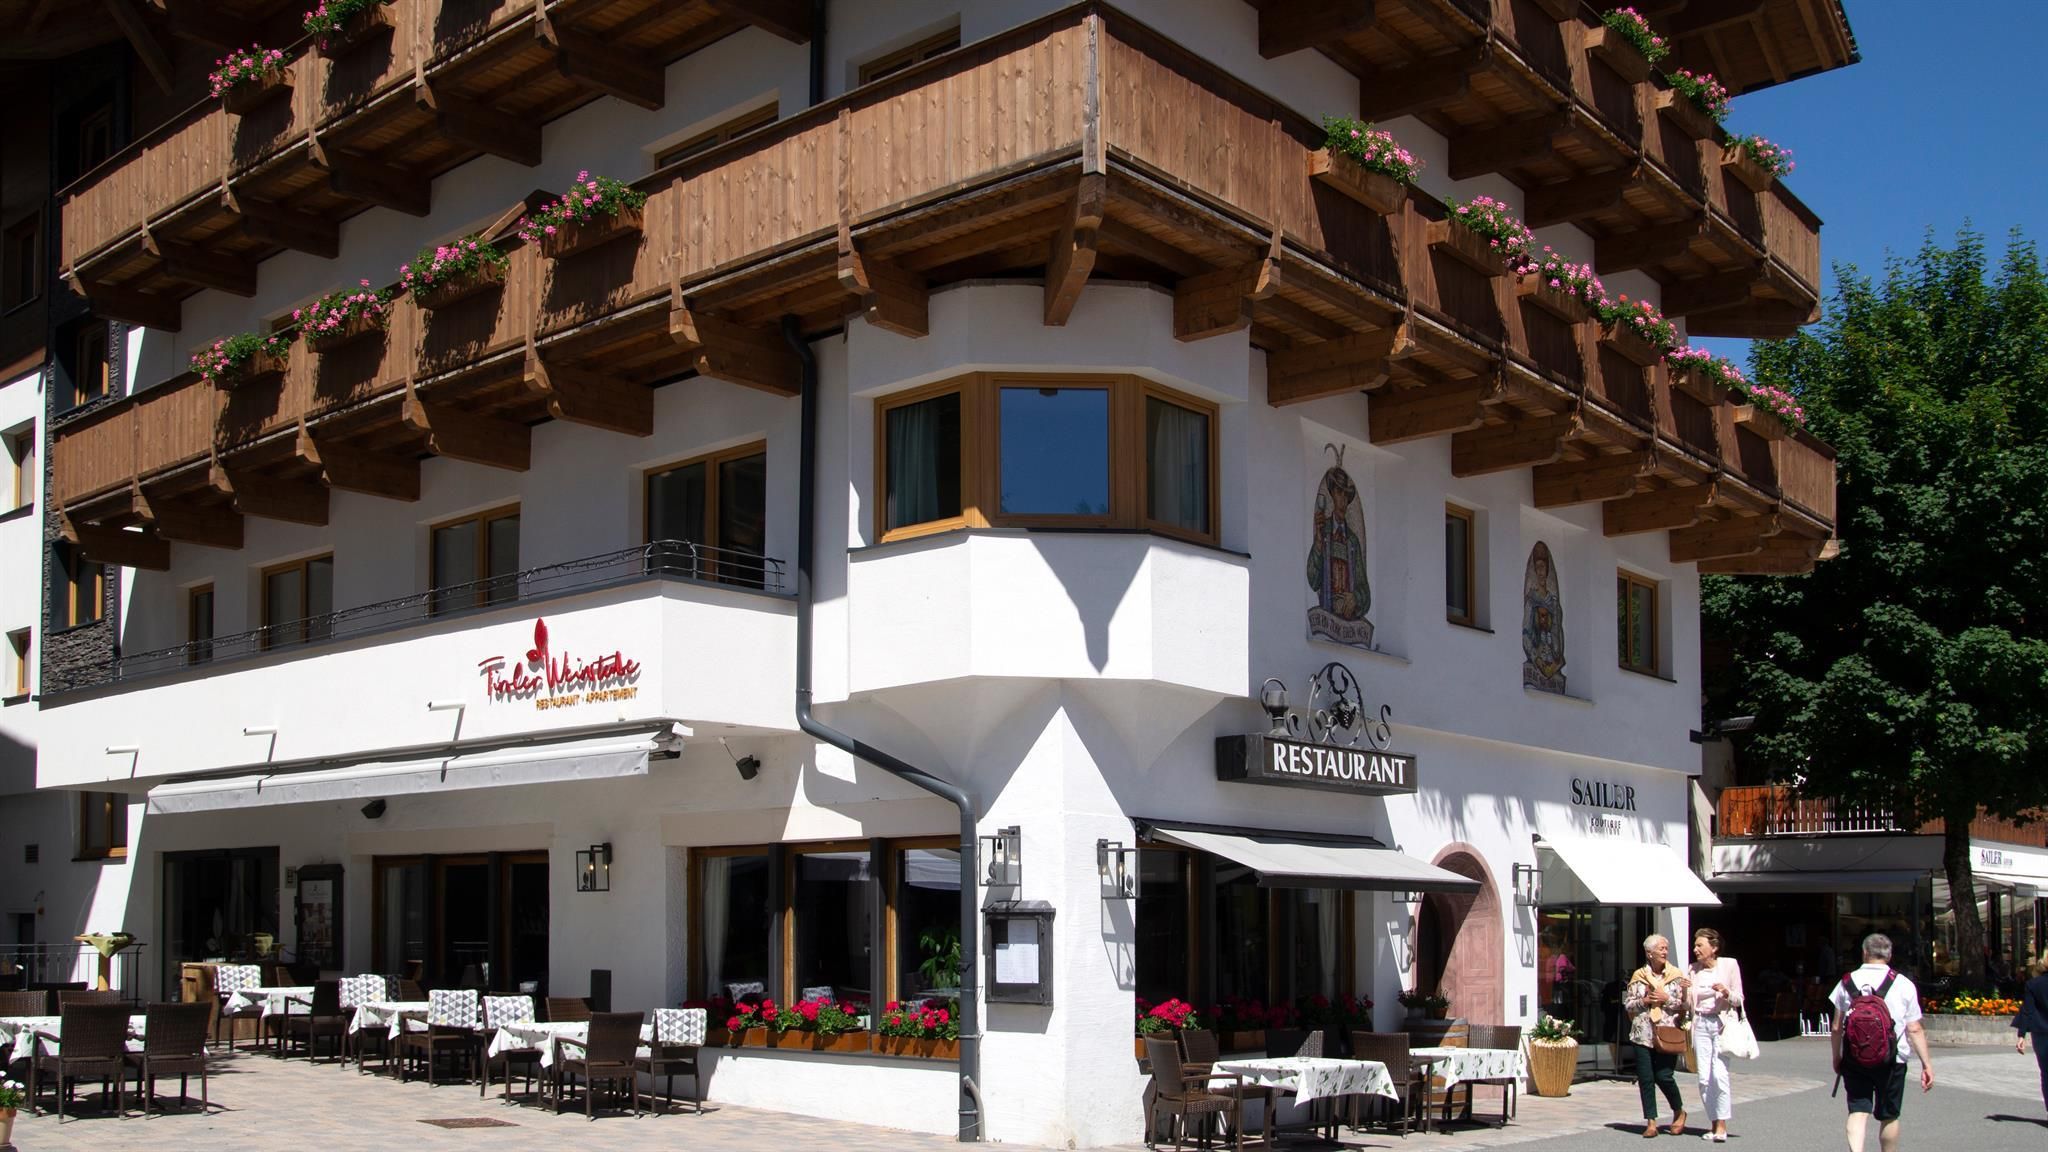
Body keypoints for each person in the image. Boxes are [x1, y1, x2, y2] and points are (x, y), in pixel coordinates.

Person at [1829, 933, 1933, 1152]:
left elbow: (1837, 1026)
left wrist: (1837, 1057)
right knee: (1889, 1115)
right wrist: (1926, 1064)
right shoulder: (1903, 984)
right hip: (1893, 1058)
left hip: (1855, 1056)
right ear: (1890, 955)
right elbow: (1914, 1028)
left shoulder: (1847, 982)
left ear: (1864, 952)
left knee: (1857, 1111)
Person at [1625, 933, 1690, 1138]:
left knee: (1663, 1075)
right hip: (1642, 1033)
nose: (1665, 951)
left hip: (1667, 1031)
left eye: (1666, 948)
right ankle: (1651, 1121)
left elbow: (1685, 1006)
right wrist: (1644, 1001)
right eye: (1661, 948)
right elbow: (1628, 1004)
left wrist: (1666, 998)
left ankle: (1679, 1110)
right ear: (1649, 953)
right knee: (1646, 1078)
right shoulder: (1638, 976)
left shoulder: (1676, 976)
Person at [1687, 928, 1746, 1143]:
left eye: (1700, 945)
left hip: (1721, 1023)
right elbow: (1687, 1004)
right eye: (1695, 946)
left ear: (1714, 947)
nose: (1695, 950)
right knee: (1704, 1077)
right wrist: (1682, 993)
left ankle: (1721, 1125)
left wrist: (1726, 992)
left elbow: (1739, 999)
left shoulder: (1729, 965)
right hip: (1700, 1023)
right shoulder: (1692, 970)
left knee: (1719, 1075)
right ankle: (1713, 1122)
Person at [2015, 952, 2048, 1115]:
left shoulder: (2033, 985)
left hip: (2041, 1034)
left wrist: (2021, 1035)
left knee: (2046, 1074)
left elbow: (2027, 1011)